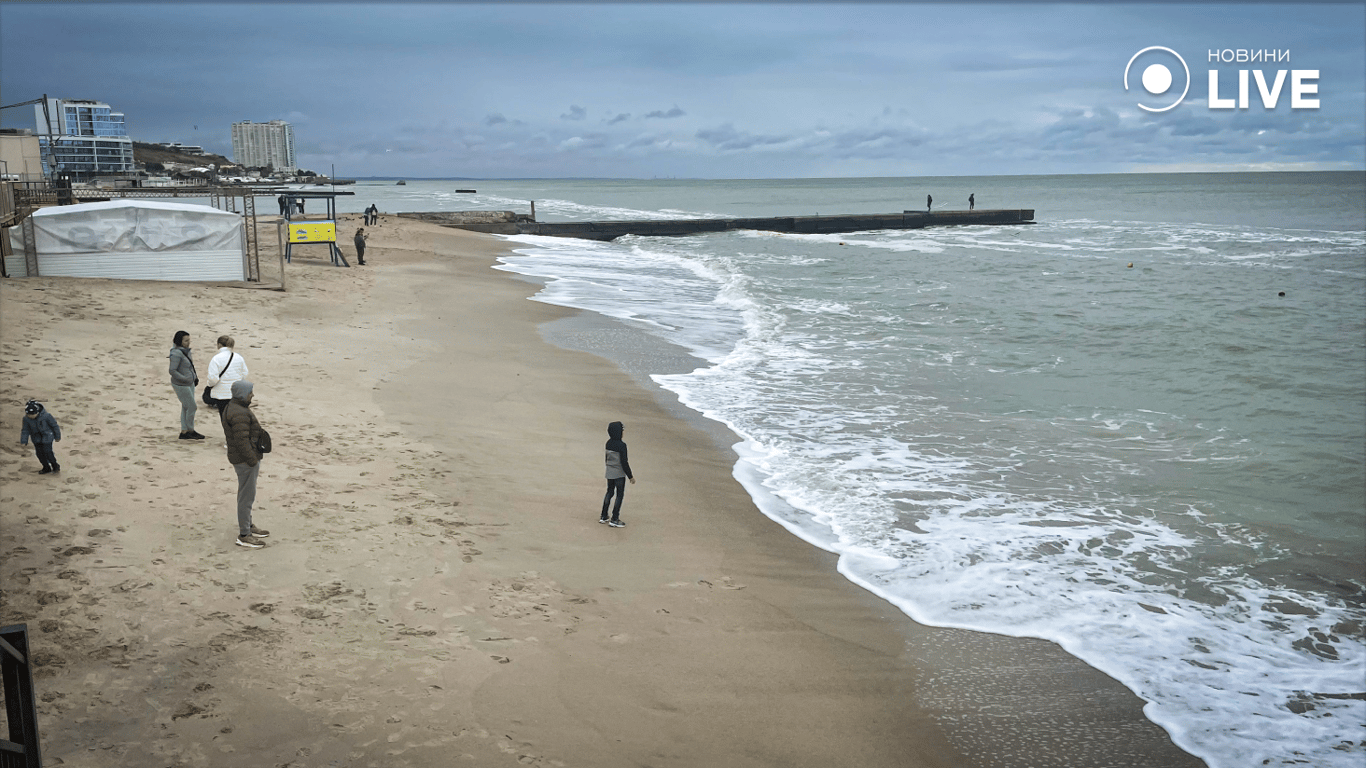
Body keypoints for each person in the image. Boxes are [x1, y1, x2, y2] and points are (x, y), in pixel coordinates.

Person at [221, 380, 270, 549]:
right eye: (250, 392)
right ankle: (244, 535)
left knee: (247, 494)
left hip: (242, 459)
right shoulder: (239, 413)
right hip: (245, 461)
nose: (252, 395)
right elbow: (242, 442)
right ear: (242, 394)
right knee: (246, 496)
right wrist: (252, 460)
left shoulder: (235, 407)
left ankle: (248, 525)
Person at [169, 330, 205, 440]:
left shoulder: (186, 351)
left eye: (189, 340)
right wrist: (185, 379)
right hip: (181, 384)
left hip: (189, 383)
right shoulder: (176, 353)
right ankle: (190, 430)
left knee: (186, 406)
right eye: (186, 340)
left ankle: (184, 431)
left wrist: (193, 377)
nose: (188, 342)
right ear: (179, 341)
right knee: (192, 406)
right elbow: (172, 370)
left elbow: (189, 366)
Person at [600, 421, 635, 528]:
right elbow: (624, 462)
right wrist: (630, 476)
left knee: (609, 492)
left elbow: (606, 458)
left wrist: (609, 467)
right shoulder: (622, 445)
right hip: (619, 473)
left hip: (609, 472)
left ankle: (604, 515)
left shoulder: (608, 443)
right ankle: (615, 518)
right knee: (619, 495)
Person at [205, 335, 249, 414]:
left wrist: (209, 385)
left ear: (219, 345)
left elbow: (213, 378)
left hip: (222, 395)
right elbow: (245, 373)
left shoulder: (216, 359)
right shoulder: (239, 357)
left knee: (224, 418)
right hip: (236, 393)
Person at [20, 400, 61, 474]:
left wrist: (57, 436)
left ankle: (55, 465)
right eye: (28, 414)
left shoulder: (47, 416)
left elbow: (54, 426)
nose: (31, 416)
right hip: (36, 438)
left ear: (38, 412)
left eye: (33, 414)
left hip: (47, 437)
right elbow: (25, 430)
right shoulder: (26, 419)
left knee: (48, 452)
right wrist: (24, 441)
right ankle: (46, 467)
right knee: (39, 454)